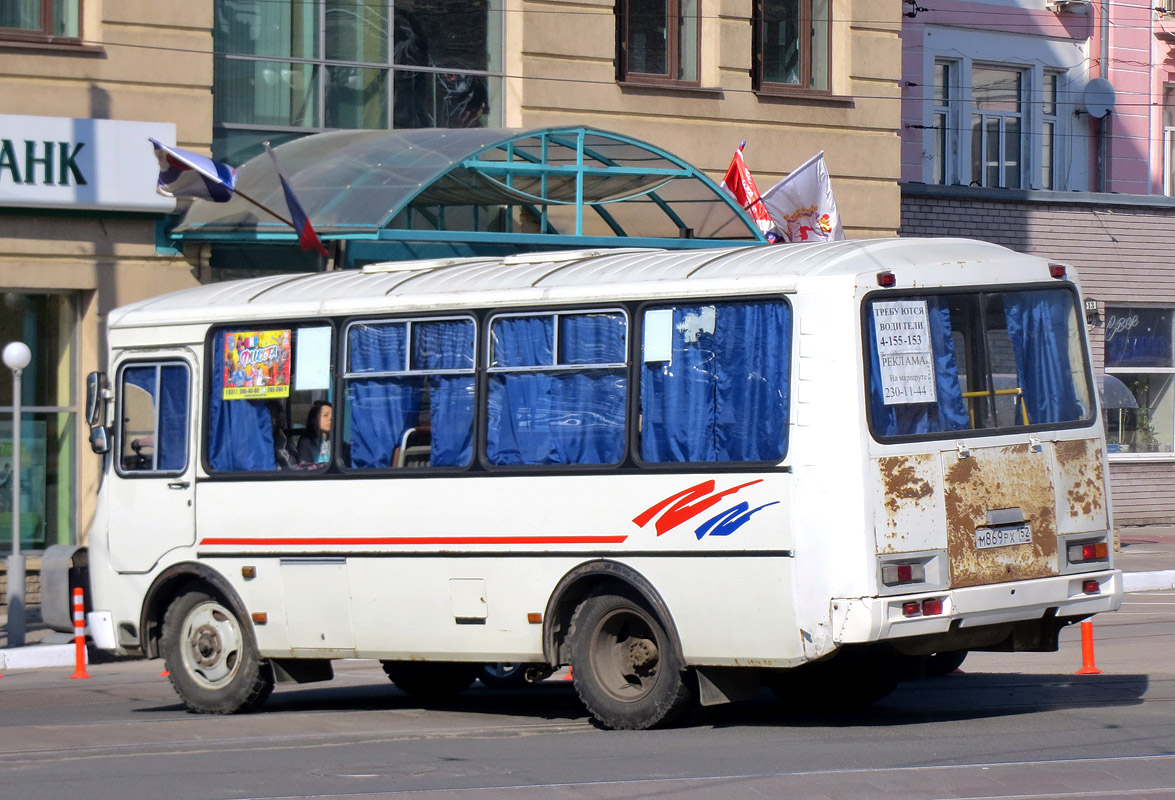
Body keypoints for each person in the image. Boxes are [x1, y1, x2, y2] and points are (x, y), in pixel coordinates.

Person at [297, 400, 332, 466]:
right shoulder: (306, 442)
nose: (330, 418)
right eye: (325, 415)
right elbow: (305, 467)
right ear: (314, 421)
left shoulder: (336, 442)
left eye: (333, 415)